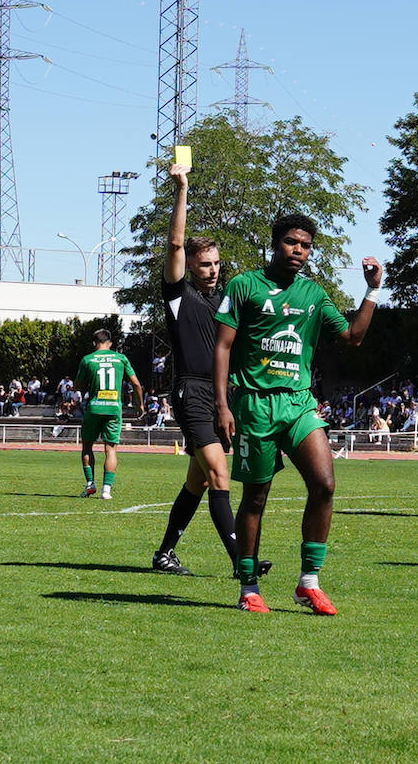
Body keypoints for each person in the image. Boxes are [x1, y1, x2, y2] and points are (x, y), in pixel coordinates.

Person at [214, 212, 382, 613]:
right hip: (255, 404)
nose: (299, 251)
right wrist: (222, 404)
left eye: (305, 246)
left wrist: (372, 291)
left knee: (324, 484)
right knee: (256, 498)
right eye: (291, 242)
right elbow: (221, 347)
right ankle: (249, 588)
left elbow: (353, 337)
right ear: (274, 244)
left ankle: (309, 582)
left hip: (299, 402)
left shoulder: (314, 295)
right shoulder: (244, 286)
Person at [150, 162, 266, 578]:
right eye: (205, 264)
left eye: (216, 263)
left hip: (222, 396)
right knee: (219, 473)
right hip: (191, 393)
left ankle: (164, 553)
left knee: (197, 481)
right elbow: (176, 244)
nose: (212, 269)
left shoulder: (226, 303)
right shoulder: (178, 295)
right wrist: (182, 188)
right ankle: (241, 562)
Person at [75, 329, 142, 500]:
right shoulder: (121, 358)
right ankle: (106, 490)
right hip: (113, 408)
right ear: (110, 343)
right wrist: (139, 404)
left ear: (94, 343)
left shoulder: (87, 359)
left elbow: (77, 385)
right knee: (110, 450)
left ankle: (90, 484)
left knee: (87, 446)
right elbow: (136, 384)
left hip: (94, 408)